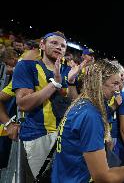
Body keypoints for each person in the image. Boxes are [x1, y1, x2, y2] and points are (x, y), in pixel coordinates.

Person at [51, 59, 124, 183]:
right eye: (114, 83)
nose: (118, 89)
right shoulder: (90, 115)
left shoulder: (83, 103)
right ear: (98, 83)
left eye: (119, 83)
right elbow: (104, 177)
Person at [12, 31, 81, 178]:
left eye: (63, 46)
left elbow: (75, 105)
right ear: (42, 45)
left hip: (65, 137)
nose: (59, 47)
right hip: (38, 136)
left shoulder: (69, 71)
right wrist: (55, 83)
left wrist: (71, 82)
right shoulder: (26, 66)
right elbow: (23, 104)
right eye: (54, 43)